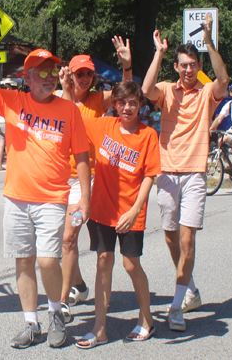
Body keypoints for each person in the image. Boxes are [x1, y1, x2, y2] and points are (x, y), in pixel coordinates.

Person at [0, 40, 91, 349]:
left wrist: (85, 199)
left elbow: (81, 157)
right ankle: (30, 323)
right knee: (23, 262)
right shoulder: (13, 101)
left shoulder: (69, 110)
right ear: (27, 78)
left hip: (53, 198)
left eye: (53, 72)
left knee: (49, 261)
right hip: (17, 197)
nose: (50, 78)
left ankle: (55, 314)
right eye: (42, 73)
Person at [142, 12, 229, 332]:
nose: (189, 70)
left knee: (187, 240)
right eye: (183, 64)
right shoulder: (166, 90)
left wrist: (207, 42)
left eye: (193, 64)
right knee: (169, 236)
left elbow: (224, 80)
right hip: (166, 173)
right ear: (176, 66)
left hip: (193, 174)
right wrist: (159, 52)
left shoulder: (207, 93)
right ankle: (190, 287)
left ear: (198, 66)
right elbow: (146, 87)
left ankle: (176, 307)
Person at [75, 81, 160, 349]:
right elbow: (73, 115)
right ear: (114, 105)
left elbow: (150, 175)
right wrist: (66, 86)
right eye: (121, 102)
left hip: (130, 212)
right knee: (103, 262)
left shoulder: (148, 135)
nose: (127, 107)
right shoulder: (103, 125)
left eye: (133, 103)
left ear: (140, 105)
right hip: (102, 209)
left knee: (131, 265)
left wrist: (135, 210)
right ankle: (99, 329)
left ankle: (146, 319)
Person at [57, 36, 132, 322]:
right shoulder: (59, 97)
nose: (86, 78)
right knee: (64, 240)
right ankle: (78, 285)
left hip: (86, 178)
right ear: (71, 74)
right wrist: (64, 89)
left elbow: (124, 93)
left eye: (89, 73)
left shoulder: (98, 100)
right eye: (80, 73)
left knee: (68, 238)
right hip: (59, 178)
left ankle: (62, 302)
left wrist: (126, 66)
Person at [210, 82, 232, 148]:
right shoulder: (229, 104)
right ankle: (225, 156)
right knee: (223, 140)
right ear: (231, 94)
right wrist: (211, 129)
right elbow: (219, 118)